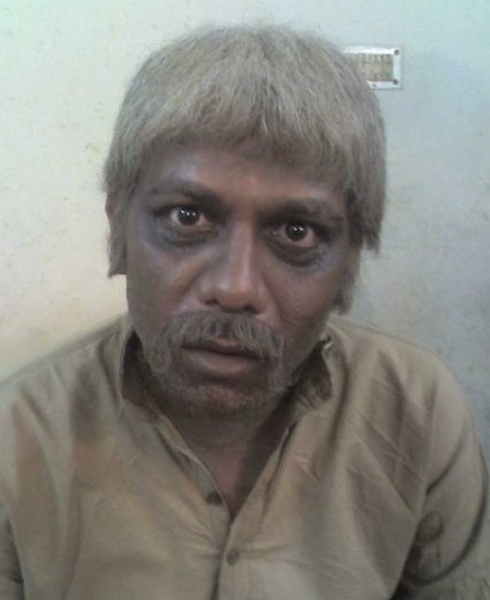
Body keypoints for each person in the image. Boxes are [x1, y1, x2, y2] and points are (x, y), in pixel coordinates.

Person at [0, 24, 488, 600]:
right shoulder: (17, 436)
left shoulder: (417, 410)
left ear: (352, 261)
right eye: (186, 218)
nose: (235, 288)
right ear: (118, 229)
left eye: (297, 232)